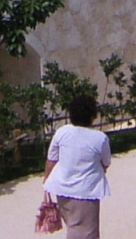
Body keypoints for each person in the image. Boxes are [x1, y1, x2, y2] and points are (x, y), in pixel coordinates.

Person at [44, 93, 111, 239]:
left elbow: (51, 160)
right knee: (85, 232)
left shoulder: (62, 132)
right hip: (85, 192)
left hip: (62, 190)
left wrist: (46, 185)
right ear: (92, 115)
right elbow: (105, 163)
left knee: (73, 225)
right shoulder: (100, 138)